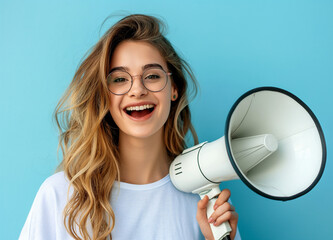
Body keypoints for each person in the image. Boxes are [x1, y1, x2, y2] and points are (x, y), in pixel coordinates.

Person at [19, 14, 240, 240]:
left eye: (152, 76)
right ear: (104, 95)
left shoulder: (205, 201)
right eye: (120, 79)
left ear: (174, 88)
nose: (137, 90)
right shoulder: (60, 195)